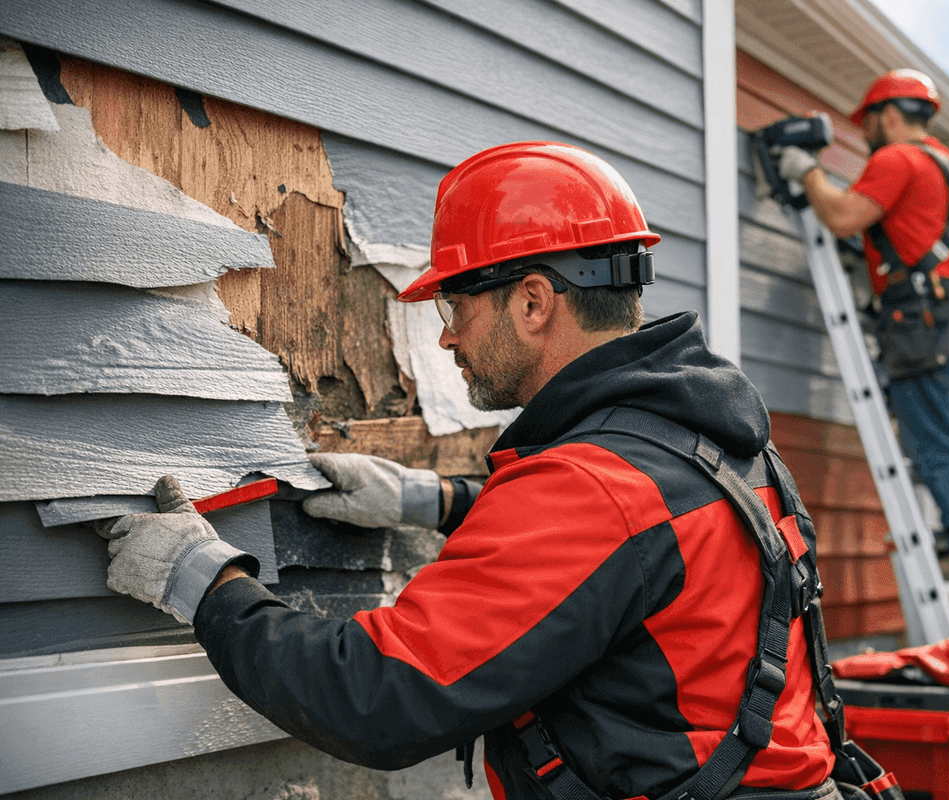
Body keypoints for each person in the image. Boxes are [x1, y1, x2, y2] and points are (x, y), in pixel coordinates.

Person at [103, 142, 848, 800]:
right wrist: (429, 500)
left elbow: (378, 697)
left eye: (456, 306)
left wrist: (205, 581)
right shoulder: (707, 439)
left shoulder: (591, 489)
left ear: (532, 303)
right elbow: (635, 548)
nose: (450, 338)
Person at [775, 70, 949, 591]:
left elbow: (846, 217)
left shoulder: (896, 158)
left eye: (869, 122)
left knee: (935, 440)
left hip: (920, 323)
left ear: (890, 115)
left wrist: (806, 172)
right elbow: (912, 236)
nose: (866, 133)